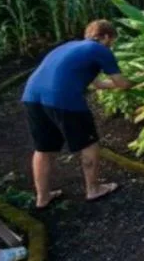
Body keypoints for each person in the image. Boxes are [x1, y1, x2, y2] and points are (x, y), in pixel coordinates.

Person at [21, 20, 132, 209]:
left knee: (43, 149)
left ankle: (42, 197)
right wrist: (142, 80)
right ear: (106, 37)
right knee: (89, 143)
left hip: (31, 95)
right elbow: (122, 83)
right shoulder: (100, 50)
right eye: (112, 41)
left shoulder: (70, 46)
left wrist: (113, 86)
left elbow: (97, 84)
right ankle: (93, 189)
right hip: (62, 97)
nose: (111, 45)